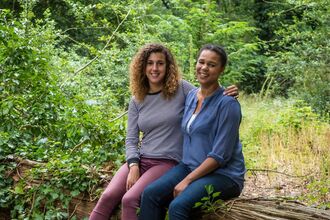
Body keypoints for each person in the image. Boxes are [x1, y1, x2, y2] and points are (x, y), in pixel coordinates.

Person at [89, 43, 238, 220]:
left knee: (130, 199)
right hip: (143, 159)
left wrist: (229, 91)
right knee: (107, 196)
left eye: (160, 63)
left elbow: (208, 93)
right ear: (142, 67)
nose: (154, 68)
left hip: (168, 161)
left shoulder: (183, 89)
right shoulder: (137, 99)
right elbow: (131, 139)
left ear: (168, 67)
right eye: (150, 63)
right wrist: (133, 165)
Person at [138, 44, 246, 220]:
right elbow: (163, 90)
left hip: (224, 175)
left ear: (221, 69)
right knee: (150, 194)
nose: (204, 68)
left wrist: (187, 181)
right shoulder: (191, 95)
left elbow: (220, 156)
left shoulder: (228, 104)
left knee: (178, 206)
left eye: (211, 65)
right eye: (201, 62)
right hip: (189, 166)